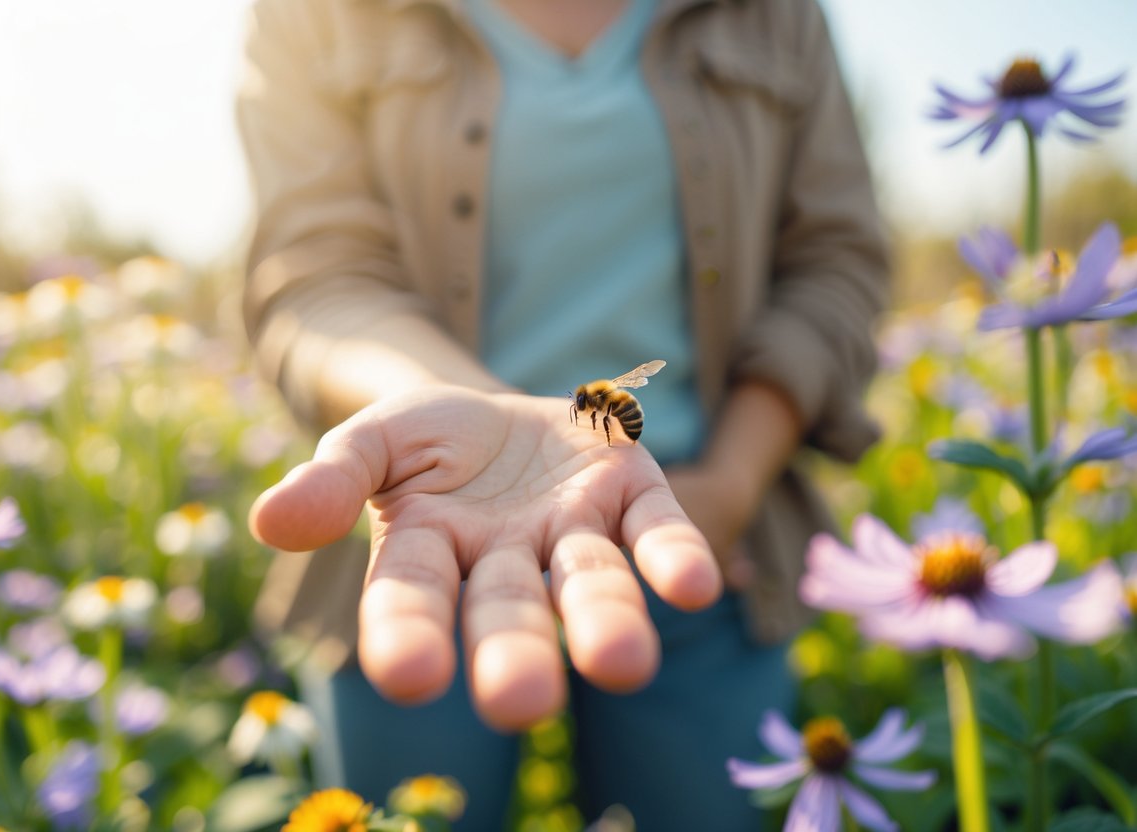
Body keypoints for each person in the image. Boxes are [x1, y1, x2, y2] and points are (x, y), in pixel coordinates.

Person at [236, 0, 888, 827]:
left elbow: (835, 264)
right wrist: (467, 412)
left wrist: (728, 481)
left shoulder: (774, 15)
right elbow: (314, 274)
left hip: (698, 525)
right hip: (426, 508)